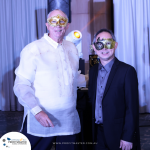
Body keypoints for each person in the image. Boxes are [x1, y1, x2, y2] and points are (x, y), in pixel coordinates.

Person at [13, 9, 86, 150]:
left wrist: (95, 78)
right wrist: (37, 111)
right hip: (41, 118)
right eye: (53, 21)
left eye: (62, 21)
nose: (58, 25)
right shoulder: (33, 49)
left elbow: (73, 78)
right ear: (47, 25)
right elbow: (21, 85)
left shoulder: (72, 48)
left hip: (68, 120)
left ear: (67, 25)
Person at [88, 29, 140, 150]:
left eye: (108, 43)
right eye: (100, 45)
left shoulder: (127, 71)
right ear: (94, 48)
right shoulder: (93, 71)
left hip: (119, 134)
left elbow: (132, 108)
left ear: (115, 45)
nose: (104, 49)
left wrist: (128, 136)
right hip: (97, 133)